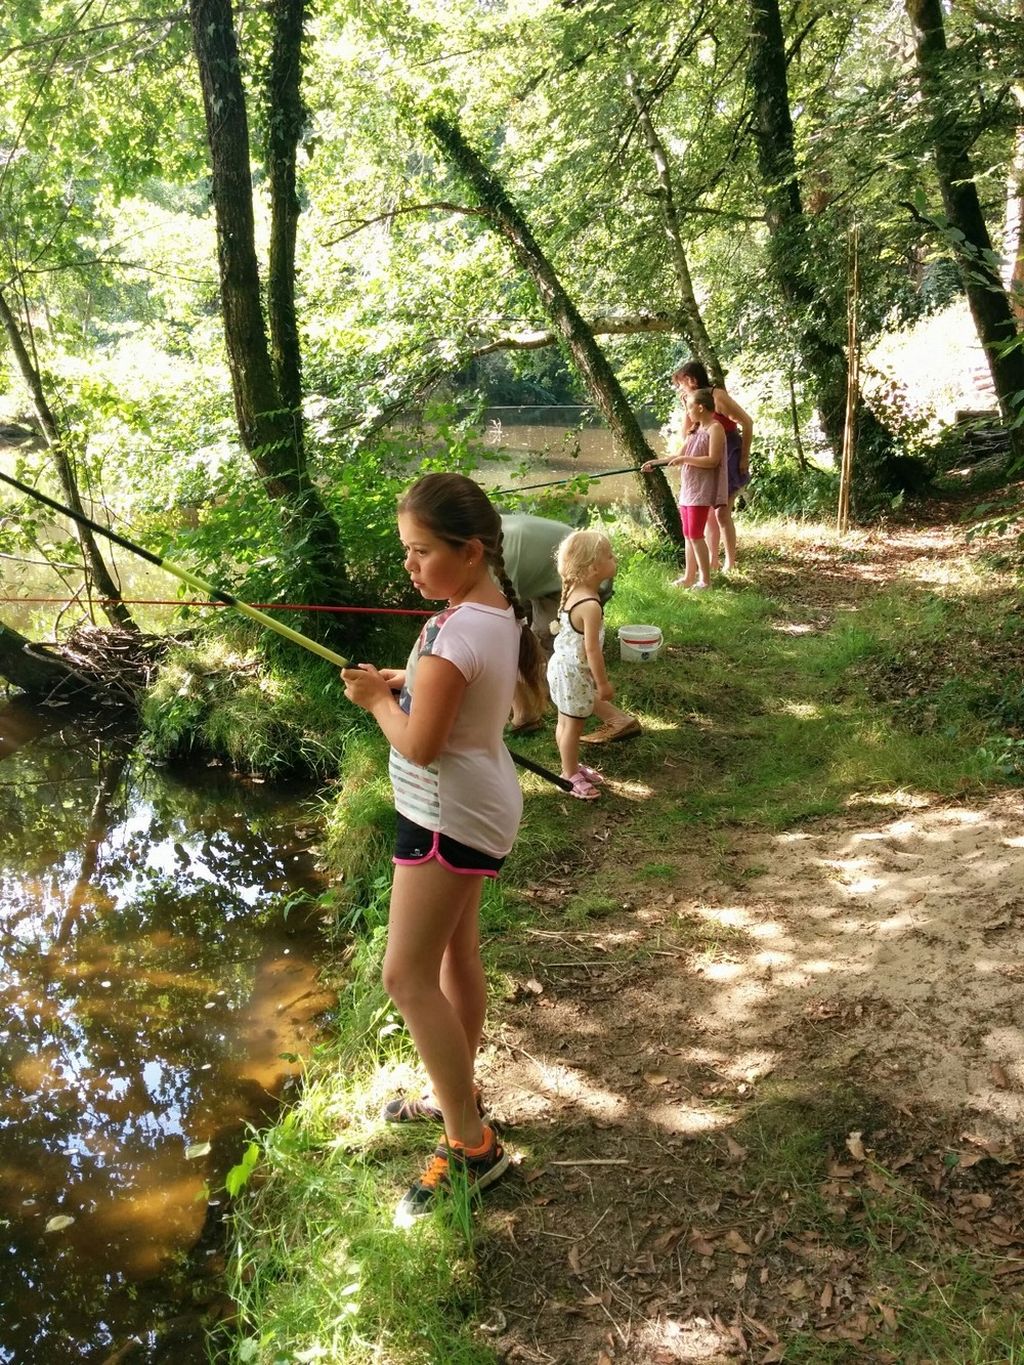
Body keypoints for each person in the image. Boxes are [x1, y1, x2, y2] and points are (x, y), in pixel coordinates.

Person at [340, 472, 546, 1225]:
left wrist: (376, 701)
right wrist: (407, 681)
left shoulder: (455, 632)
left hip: (444, 818)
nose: (409, 566)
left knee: (405, 975)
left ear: (469, 550)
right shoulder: (485, 611)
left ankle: (472, 1145)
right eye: (406, 551)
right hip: (472, 810)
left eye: (422, 551)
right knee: (456, 959)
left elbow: (421, 744)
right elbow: (452, 700)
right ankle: (452, 1088)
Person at [500, 512, 642, 744]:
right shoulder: (491, 538)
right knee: (547, 663)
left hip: (575, 574)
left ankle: (616, 720)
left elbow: (591, 649)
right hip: (554, 578)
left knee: (562, 673)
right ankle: (527, 713)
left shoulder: (499, 552)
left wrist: (602, 682)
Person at [546, 530, 618, 799]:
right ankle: (568, 774)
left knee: (566, 722)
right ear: (593, 567)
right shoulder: (591, 605)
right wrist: (603, 683)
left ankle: (571, 765)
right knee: (572, 725)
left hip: (561, 667)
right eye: (610, 555)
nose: (615, 559)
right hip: (574, 673)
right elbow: (592, 651)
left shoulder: (576, 591)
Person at [673, 360, 753, 573]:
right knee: (707, 513)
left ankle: (730, 562)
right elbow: (686, 436)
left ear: (691, 380)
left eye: (681, 383)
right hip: (706, 457)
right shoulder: (692, 403)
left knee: (722, 512)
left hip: (729, 453)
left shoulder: (718, 397)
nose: (680, 388)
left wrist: (744, 458)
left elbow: (747, 422)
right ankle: (712, 561)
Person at [643, 387, 727, 590]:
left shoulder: (715, 428)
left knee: (697, 535)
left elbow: (713, 460)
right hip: (688, 491)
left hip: (701, 491)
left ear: (700, 407)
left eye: (689, 408)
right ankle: (689, 577)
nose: (688, 412)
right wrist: (656, 462)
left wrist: (685, 459)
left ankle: (705, 581)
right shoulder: (695, 429)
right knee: (688, 534)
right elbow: (677, 456)